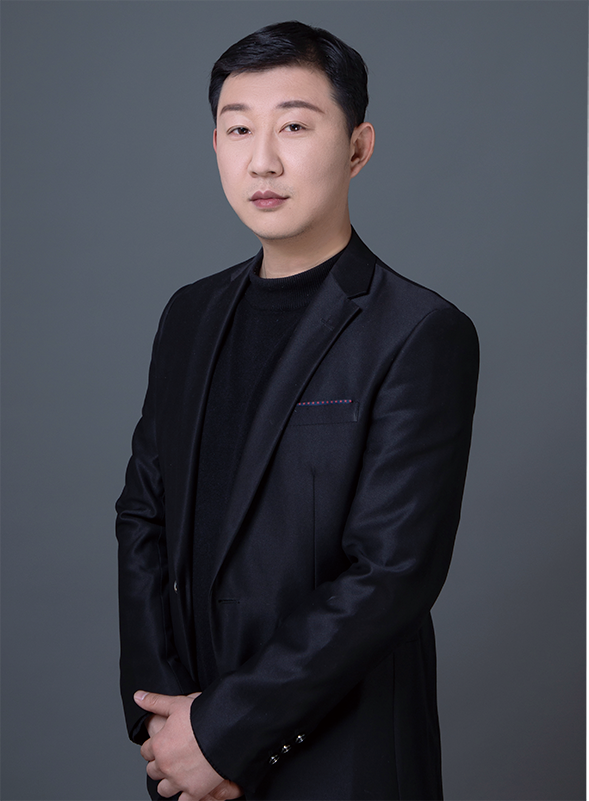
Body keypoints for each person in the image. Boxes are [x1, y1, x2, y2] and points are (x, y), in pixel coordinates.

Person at [116, 20, 479, 801]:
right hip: (184, 753)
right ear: (215, 144)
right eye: (237, 128)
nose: (263, 160)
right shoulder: (188, 314)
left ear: (357, 147)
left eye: (293, 127)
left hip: (342, 759)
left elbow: (391, 574)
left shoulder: (418, 331)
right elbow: (143, 513)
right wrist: (164, 720)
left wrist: (225, 732)